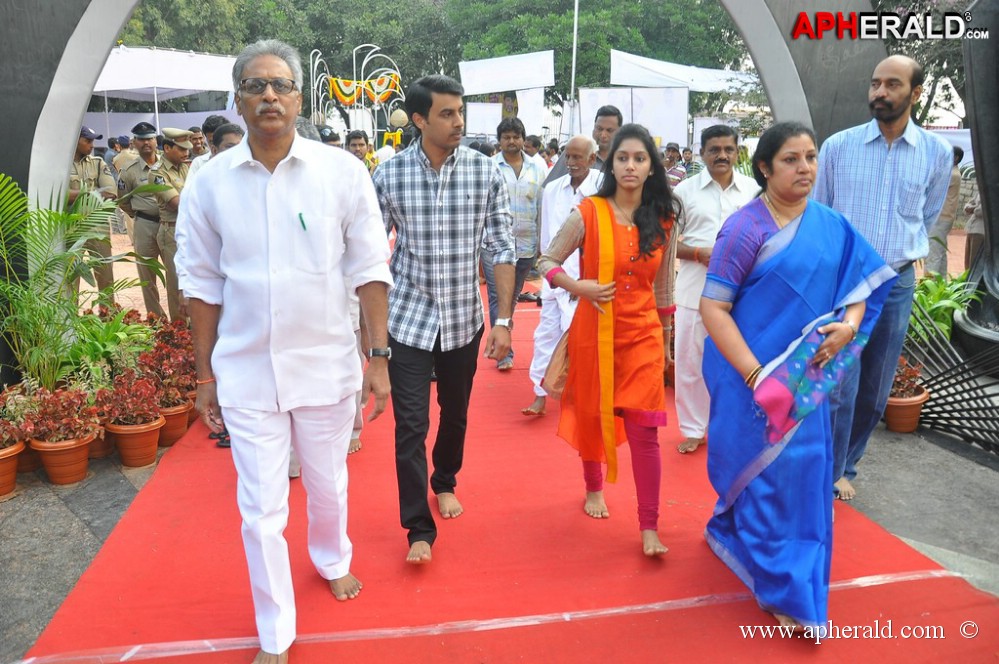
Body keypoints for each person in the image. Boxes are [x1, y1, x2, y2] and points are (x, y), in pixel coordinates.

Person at [176, 39, 392, 664]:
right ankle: (276, 633)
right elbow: (201, 282)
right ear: (238, 100)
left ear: (300, 97)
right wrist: (204, 375)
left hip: (325, 363)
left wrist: (377, 357)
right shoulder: (209, 182)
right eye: (255, 86)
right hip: (244, 370)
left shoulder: (341, 172)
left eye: (280, 85)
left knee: (327, 486)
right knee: (260, 509)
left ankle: (332, 557)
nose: (268, 95)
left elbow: (369, 268)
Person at [700, 122, 896, 632]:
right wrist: (756, 377)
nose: (805, 167)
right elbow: (714, 306)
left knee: (804, 478)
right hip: (756, 383)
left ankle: (774, 560)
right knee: (765, 479)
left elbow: (860, 285)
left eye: (810, 157)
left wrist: (848, 329)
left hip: (806, 384)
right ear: (764, 167)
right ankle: (782, 588)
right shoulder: (745, 229)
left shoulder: (831, 224)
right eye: (791, 159)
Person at [372, 74, 515, 566]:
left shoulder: (484, 171)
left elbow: (500, 247)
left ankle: (444, 480)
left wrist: (505, 319)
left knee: (455, 413)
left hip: (462, 319)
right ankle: (417, 526)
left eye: (460, 113)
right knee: (410, 423)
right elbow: (371, 255)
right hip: (407, 318)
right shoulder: (389, 176)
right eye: (447, 114)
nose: (459, 123)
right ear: (418, 120)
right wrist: (368, 333)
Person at [813, 55, 952, 500]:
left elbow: (926, 217)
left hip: (895, 283)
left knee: (874, 391)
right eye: (875, 83)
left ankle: (847, 464)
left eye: (892, 84)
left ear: (914, 94)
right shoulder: (839, 146)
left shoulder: (936, 153)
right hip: (845, 281)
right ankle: (830, 471)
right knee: (839, 385)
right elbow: (822, 214)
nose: (879, 92)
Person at [538, 123, 677, 557]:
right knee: (593, 413)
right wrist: (580, 287)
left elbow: (665, 289)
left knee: (646, 432)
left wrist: (667, 341)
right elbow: (546, 260)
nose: (631, 166)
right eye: (623, 158)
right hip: (594, 331)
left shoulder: (664, 216)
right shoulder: (588, 213)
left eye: (639, 158)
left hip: (644, 337)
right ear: (610, 164)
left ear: (651, 165)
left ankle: (649, 525)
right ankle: (593, 486)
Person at [672, 125, 760, 454]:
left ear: (738, 152)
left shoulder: (753, 191)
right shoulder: (684, 192)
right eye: (714, 150)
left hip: (742, 297)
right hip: (694, 291)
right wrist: (698, 254)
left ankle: (730, 429)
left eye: (728, 149)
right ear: (702, 153)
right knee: (690, 362)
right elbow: (666, 245)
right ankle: (694, 429)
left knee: (738, 364)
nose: (721, 155)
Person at [522, 134, 601, 417]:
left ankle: (581, 394)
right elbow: (546, 235)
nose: (572, 162)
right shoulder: (553, 189)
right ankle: (539, 394)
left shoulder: (602, 189)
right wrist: (548, 273)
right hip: (555, 277)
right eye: (569, 156)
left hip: (586, 282)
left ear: (592, 159)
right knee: (545, 334)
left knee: (579, 340)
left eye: (578, 157)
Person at [483, 117, 544, 371]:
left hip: (527, 244)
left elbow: (542, 207)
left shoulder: (537, 168)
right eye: (506, 137)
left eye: (515, 136)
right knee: (498, 296)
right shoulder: (488, 167)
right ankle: (504, 353)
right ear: (499, 141)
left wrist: (543, 244)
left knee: (512, 298)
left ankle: (503, 336)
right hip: (494, 246)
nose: (511, 141)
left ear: (523, 138)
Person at [118, 121, 167, 318]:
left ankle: (181, 321)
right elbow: (123, 201)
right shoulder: (128, 170)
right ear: (134, 143)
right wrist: (140, 214)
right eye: (142, 139)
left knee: (175, 272)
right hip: (144, 225)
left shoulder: (167, 164)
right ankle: (157, 319)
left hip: (169, 224)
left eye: (150, 139)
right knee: (147, 275)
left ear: (156, 141)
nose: (147, 143)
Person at [148, 128, 194, 321]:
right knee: (177, 286)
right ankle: (180, 334)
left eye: (187, 149)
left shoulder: (187, 167)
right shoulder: (157, 173)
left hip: (193, 229)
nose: (186, 153)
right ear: (167, 148)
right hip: (172, 231)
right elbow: (177, 204)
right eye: (181, 149)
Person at [68, 125, 117, 300]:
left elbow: (110, 193)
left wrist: (78, 196)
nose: (91, 145)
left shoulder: (98, 163)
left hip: (98, 227)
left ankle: (107, 318)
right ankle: (70, 323)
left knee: (105, 274)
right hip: (71, 228)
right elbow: (60, 195)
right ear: (75, 141)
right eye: (87, 141)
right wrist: (94, 193)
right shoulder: (61, 166)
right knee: (70, 277)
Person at [544, 105, 622, 185]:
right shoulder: (572, 152)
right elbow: (550, 188)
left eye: (609, 130)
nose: (603, 135)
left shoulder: (625, 160)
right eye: (599, 129)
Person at [924, 146, 964, 275]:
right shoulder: (953, 172)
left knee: (933, 254)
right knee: (939, 252)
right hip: (944, 218)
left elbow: (929, 187)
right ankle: (941, 285)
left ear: (955, 158)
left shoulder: (950, 174)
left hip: (940, 218)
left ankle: (927, 289)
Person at [187, 115, 231, 179]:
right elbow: (189, 187)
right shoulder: (199, 163)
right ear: (206, 139)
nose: (215, 146)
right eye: (211, 142)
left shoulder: (240, 162)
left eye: (219, 141)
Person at [964, 192, 985, 270]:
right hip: (971, 229)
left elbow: (983, 210)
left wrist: (973, 209)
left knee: (974, 263)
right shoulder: (980, 190)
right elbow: (968, 205)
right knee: (967, 262)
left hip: (981, 231)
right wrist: (974, 207)